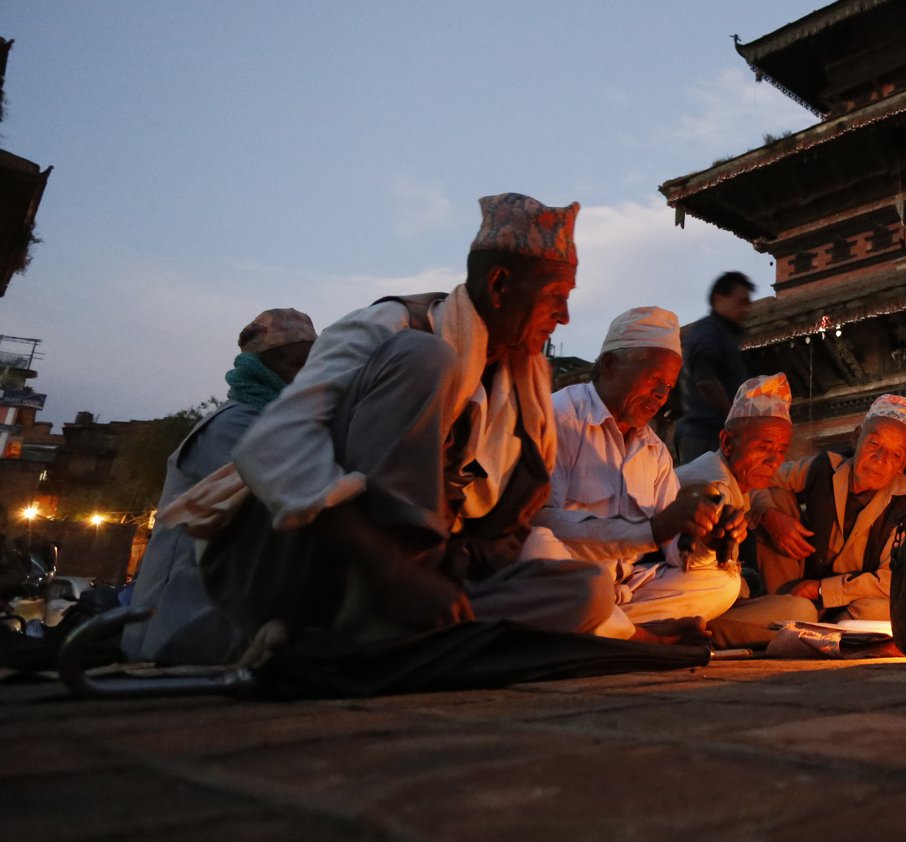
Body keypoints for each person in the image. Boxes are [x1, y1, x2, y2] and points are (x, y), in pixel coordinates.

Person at [225, 193, 615, 640]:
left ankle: (391, 641)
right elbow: (269, 447)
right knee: (425, 357)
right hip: (320, 570)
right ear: (500, 284)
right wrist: (391, 572)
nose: (563, 317)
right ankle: (375, 627)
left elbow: (513, 527)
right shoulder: (391, 328)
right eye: (554, 297)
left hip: (433, 587)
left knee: (589, 593)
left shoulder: (528, 384)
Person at [524, 307, 743, 640]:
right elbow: (544, 523)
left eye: (669, 386)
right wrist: (650, 530)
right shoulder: (559, 419)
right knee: (540, 552)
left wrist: (705, 539)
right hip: (571, 581)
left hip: (626, 592)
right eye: (654, 378)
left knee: (724, 582)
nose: (661, 394)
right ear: (611, 364)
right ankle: (638, 635)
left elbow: (675, 550)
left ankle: (611, 628)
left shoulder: (654, 451)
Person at [123, 308, 317, 664]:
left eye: (311, 363)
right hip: (178, 621)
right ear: (261, 368)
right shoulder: (233, 426)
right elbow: (280, 501)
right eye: (295, 363)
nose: (305, 374)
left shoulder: (278, 425)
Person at [710, 394, 906, 647]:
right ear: (856, 437)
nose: (880, 459)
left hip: (853, 605)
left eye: (895, 454)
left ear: (905, 462)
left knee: (882, 612)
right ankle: (781, 610)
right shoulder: (825, 467)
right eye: (874, 444)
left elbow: (891, 581)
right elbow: (758, 478)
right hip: (795, 591)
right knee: (775, 496)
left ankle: (797, 629)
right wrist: (769, 517)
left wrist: (822, 589)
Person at [672, 372, 794, 576]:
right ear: (727, 443)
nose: (774, 461)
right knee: (798, 608)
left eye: (781, 450)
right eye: (764, 447)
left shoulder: (733, 480)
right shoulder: (714, 488)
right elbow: (697, 570)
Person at [673, 271, 755, 464]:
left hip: (714, 435)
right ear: (718, 299)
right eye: (740, 302)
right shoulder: (708, 332)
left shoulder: (722, 335)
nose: (746, 310)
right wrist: (734, 419)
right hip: (705, 436)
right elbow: (705, 379)